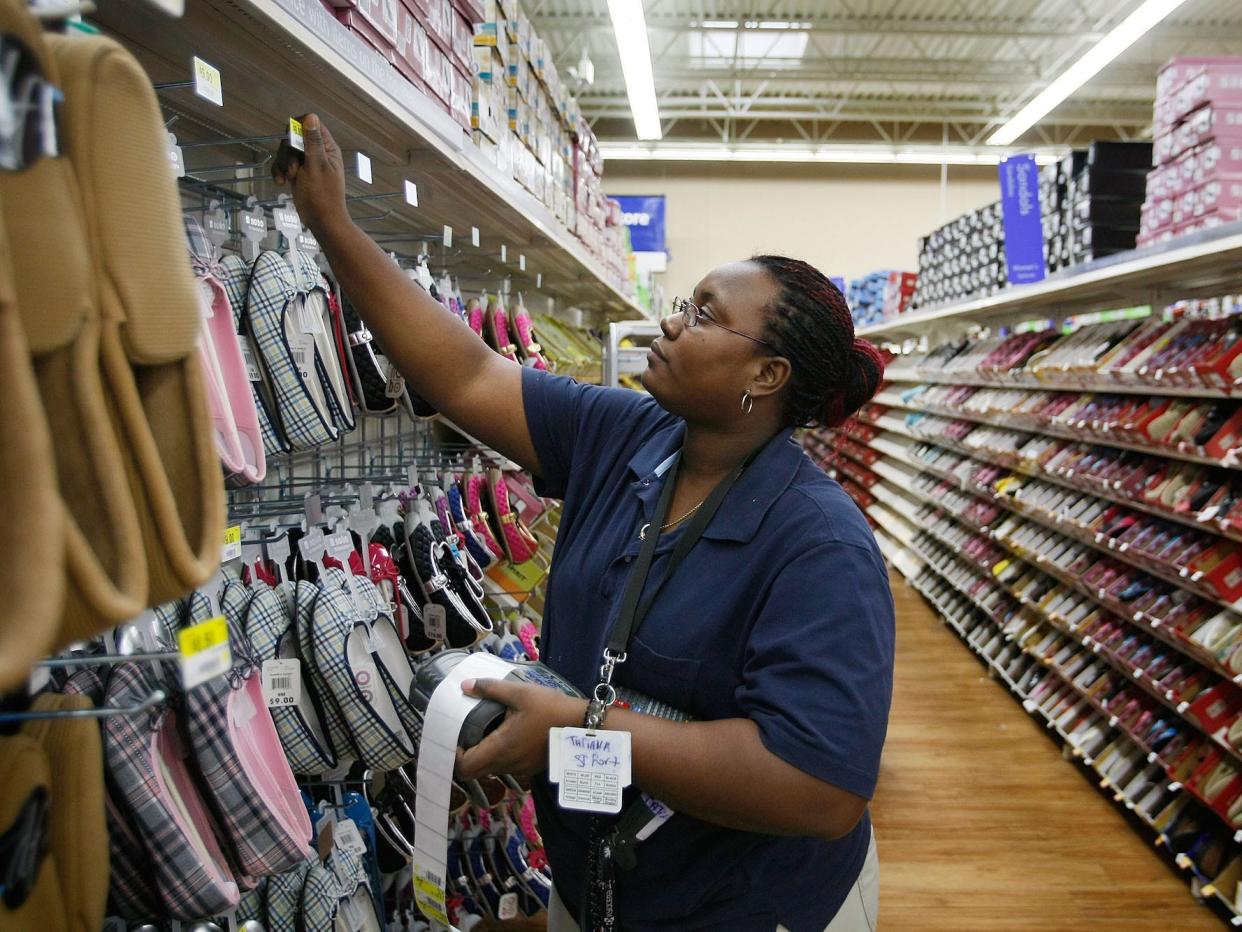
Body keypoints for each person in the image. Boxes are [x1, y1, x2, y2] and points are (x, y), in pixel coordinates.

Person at [275, 115, 895, 932]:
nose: (672, 322)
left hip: (745, 907)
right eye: (685, 303)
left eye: (705, 315)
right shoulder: (625, 435)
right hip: (600, 884)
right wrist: (333, 229)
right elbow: (465, 373)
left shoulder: (820, 546)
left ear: (766, 376)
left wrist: (581, 732)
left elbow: (820, 788)